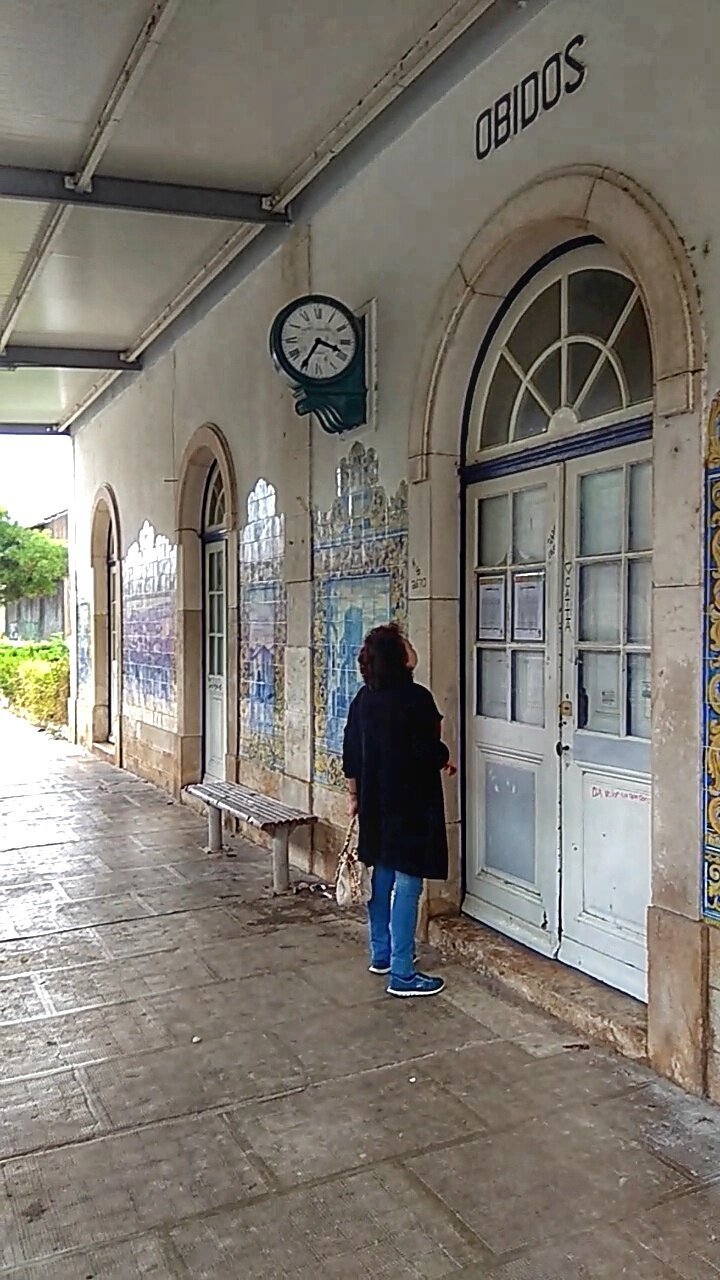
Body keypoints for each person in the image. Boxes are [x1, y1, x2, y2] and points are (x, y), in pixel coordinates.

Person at [342, 622, 456, 997]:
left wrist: (354, 796)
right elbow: (427, 749)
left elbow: (350, 755)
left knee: (383, 876)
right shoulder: (416, 698)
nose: (412, 647)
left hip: (375, 802)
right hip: (410, 804)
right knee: (408, 882)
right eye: (406, 643)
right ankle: (404, 974)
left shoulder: (363, 699)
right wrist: (443, 757)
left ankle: (382, 954)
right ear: (399, 656)